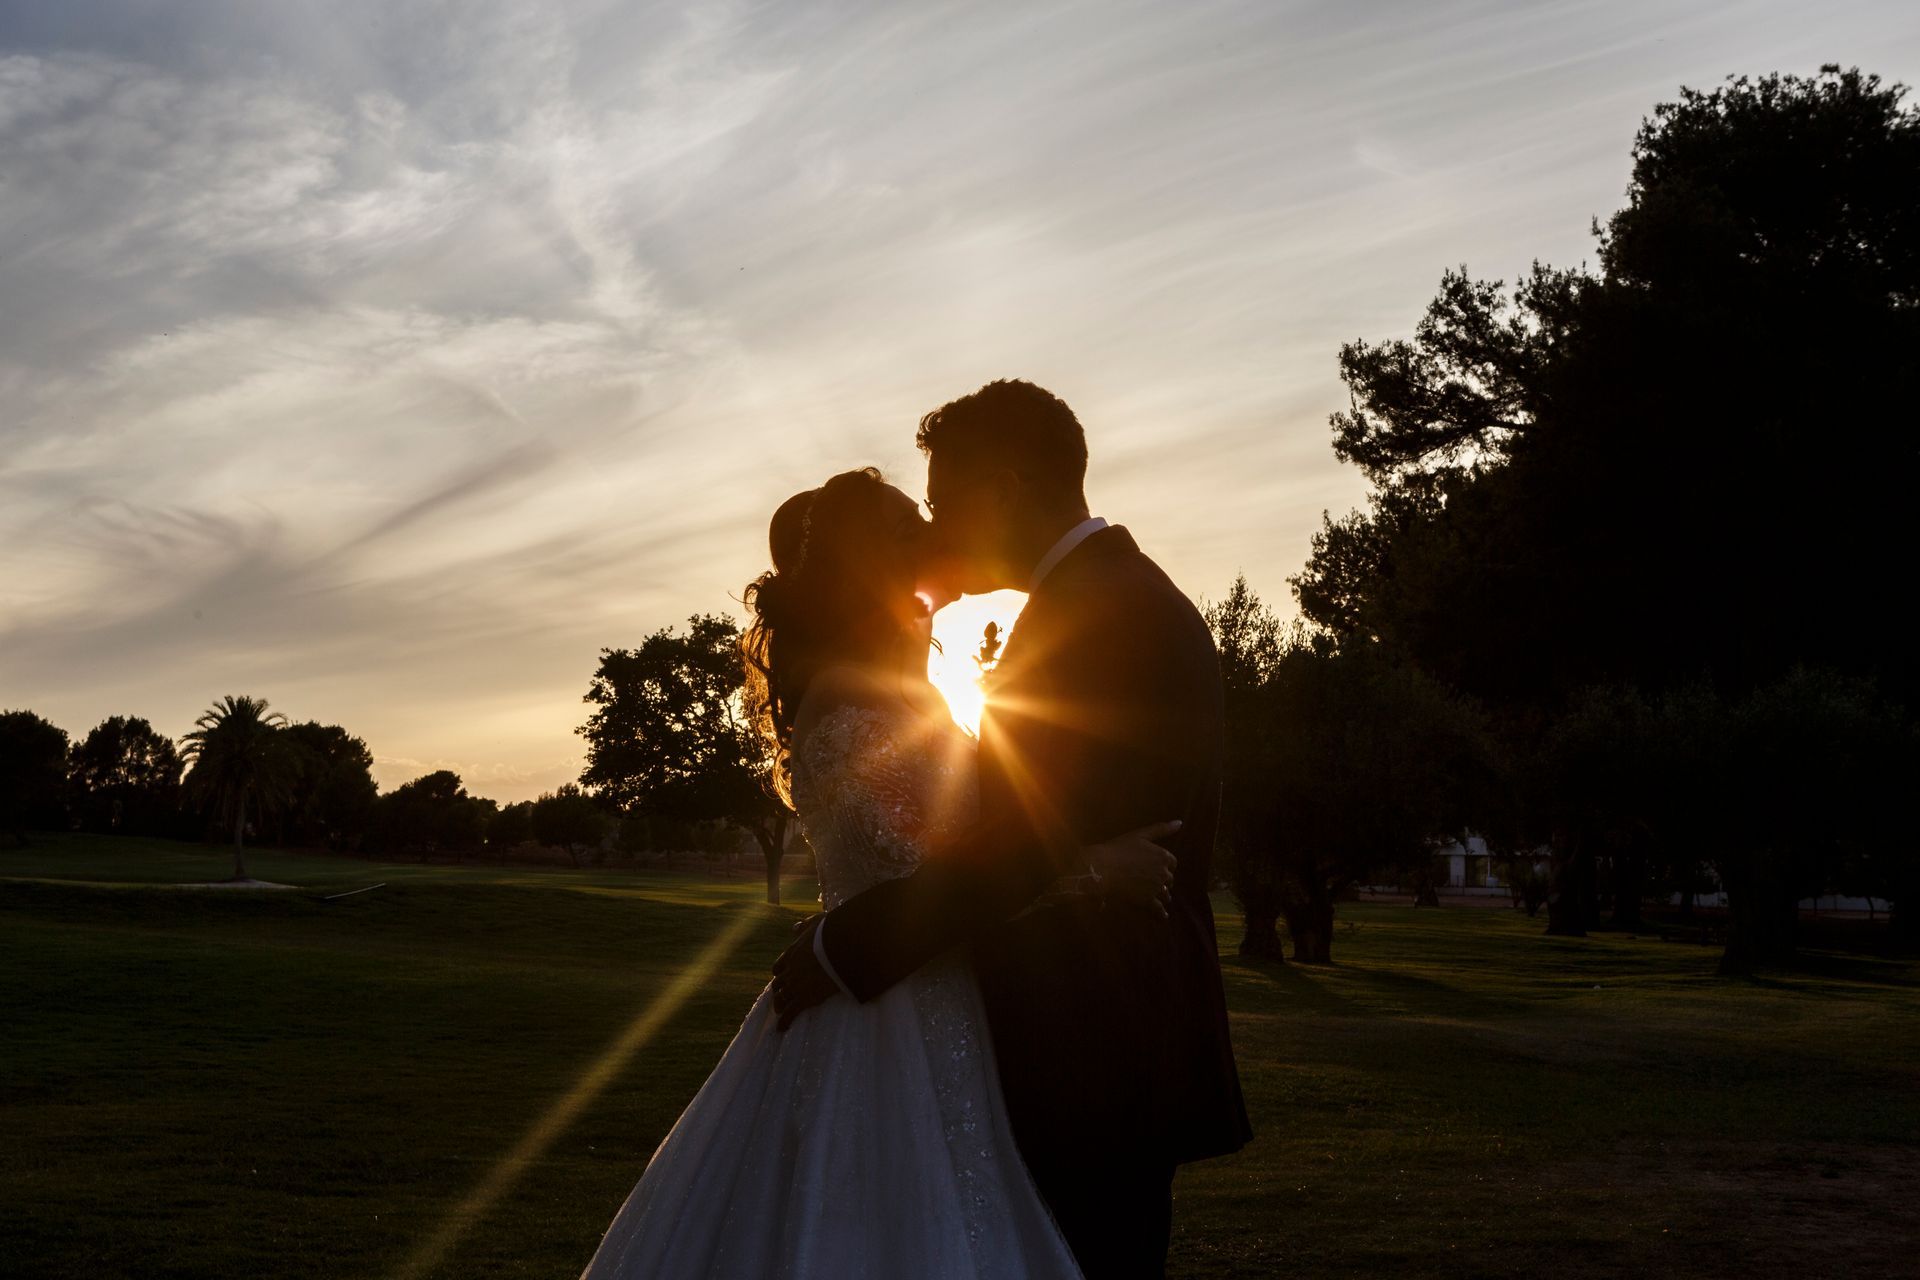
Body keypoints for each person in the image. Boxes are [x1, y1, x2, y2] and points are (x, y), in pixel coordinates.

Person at [577, 466, 1178, 1279]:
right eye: (907, 528)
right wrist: (1092, 869)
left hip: (926, 994)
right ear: (866, 568)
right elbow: (925, 866)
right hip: (883, 1016)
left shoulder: (901, 692)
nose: (931, 534)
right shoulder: (853, 703)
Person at [772, 380, 1253, 1279]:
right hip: (1071, 1047)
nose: (938, 526)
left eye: (945, 501)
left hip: (1098, 1050)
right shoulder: (1089, 603)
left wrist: (850, 942)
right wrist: (1080, 861)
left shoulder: (1108, 612)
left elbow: (1024, 845)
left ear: (1006, 488)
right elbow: (1037, 830)